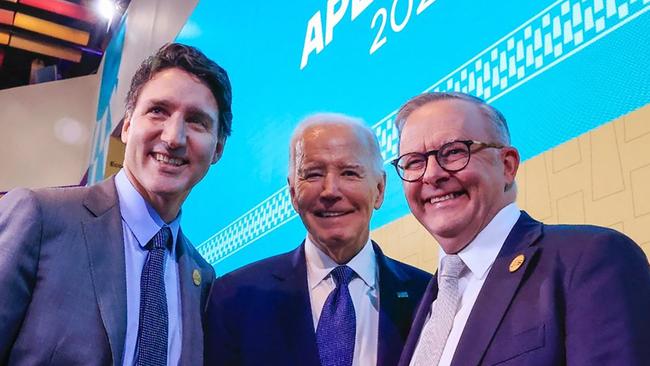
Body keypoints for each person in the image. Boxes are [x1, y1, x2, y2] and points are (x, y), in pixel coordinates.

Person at [0, 43, 233, 366]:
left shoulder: (202, 278)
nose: (174, 137)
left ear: (217, 149)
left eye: (196, 121)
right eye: (158, 111)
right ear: (126, 126)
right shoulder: (40, 217)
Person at [392, 92, 650, 366]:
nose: (431, 174)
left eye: (454, 151)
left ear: (507, 165)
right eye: (414, 162)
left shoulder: (592, 258)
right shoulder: (424, 300)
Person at [204, 113, 431, 366]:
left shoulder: (428, 297)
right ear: (292, 193)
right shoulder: (234, 297)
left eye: (349, 173)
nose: (330, 191)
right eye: (313, 174)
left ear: (379, 190)